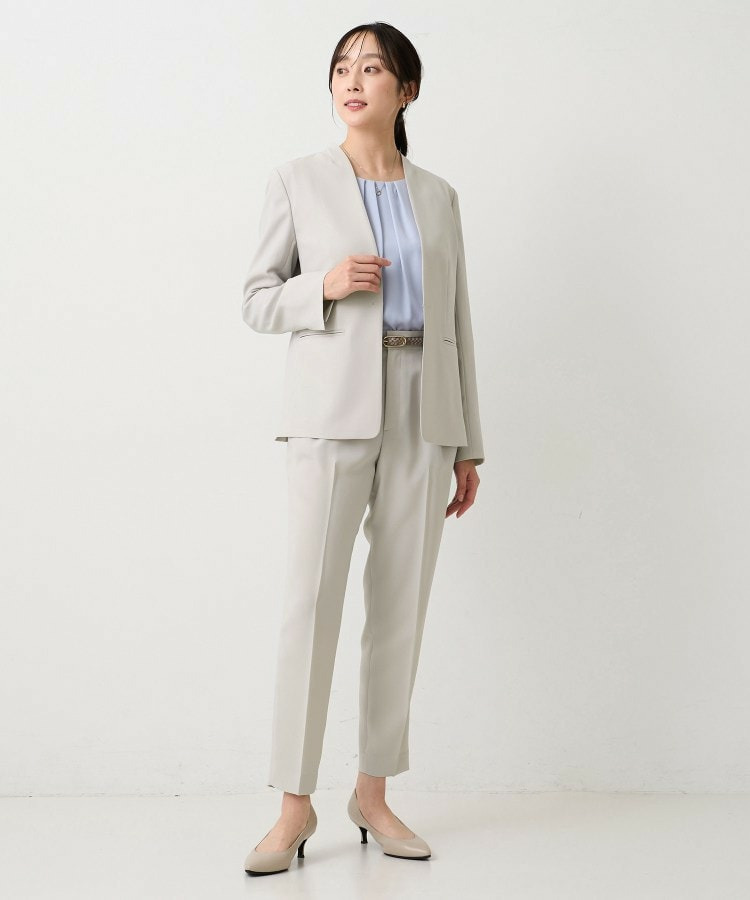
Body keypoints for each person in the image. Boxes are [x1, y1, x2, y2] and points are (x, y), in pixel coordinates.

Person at [241, 22, 484, 876]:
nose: (353, 80)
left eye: (372, 68)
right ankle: (294, 805)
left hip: (425, 411)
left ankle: (372, 793)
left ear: (405, 90)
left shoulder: (439, 196)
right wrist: (325, 284)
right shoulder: (297, 180)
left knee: (399, 610)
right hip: (330, 410)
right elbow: (256, 298)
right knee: (310, 604)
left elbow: (457, 320)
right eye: (342, 67)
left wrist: (469, 442)